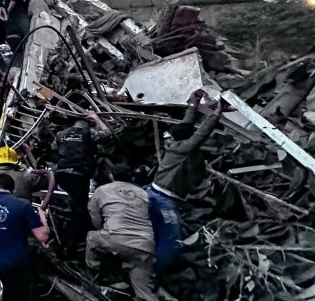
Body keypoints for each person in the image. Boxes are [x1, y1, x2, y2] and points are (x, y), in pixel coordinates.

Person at [147, 88, 225, 273]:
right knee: (171, 237)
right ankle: (155, 271)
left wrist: (193, 105)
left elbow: (186, 127)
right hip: (163, 200)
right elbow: (200, 135)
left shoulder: (178, 145)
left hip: (154, 192)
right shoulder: (182, 148)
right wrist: (217, 113)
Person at [88, 163, 157, 301]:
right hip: (146, 247)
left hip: (116, 240)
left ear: (111, 176)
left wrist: (106, 230)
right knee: (145, 292)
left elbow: (95, 219)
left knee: (92, 237)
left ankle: (93, 273)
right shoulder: (143, 193)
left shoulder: (102, 190)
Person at [0, 172, 50, 299]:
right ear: (13, 189)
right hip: (16, 263)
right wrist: (43, 218)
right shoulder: (23, 205)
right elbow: (42, 237)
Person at [54, 111, 113, 251]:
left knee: (68, 204)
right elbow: (107, 133)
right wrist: (96, 118)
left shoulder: (60, 135)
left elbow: (54, 148)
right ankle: (76, 240)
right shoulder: (89, 134)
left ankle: (67, 232)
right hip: (80, 175)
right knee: (79, 207)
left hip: (61, 174)